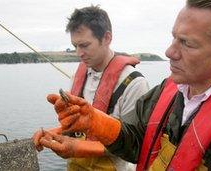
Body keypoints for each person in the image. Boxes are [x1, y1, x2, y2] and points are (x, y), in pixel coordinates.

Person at [38, 0, 211, 170]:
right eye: (173, 37)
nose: (169, 52)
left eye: (187, 44)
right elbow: (137, 142)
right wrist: (94, 121)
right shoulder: (167, 91)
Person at [32, 5, 149, 171]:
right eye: (75, 46)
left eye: (85, 45)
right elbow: (76, 129)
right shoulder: (78, 77)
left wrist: (77, 148)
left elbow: (134, 144)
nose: (79, 53)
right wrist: (50, 134)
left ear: (107, 38)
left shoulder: (134, 84)